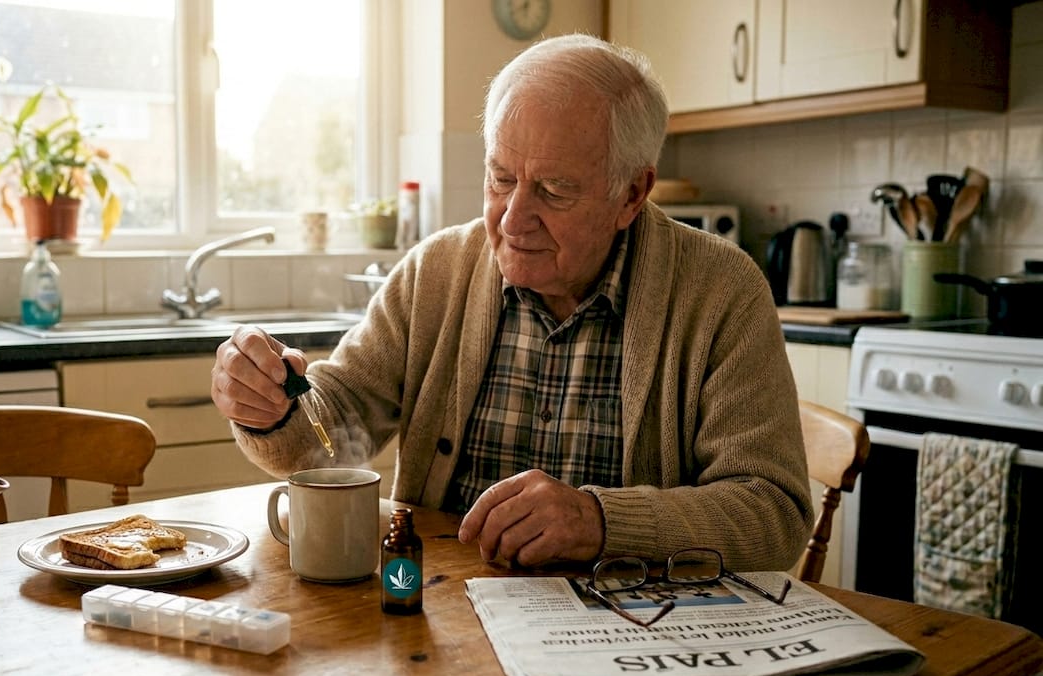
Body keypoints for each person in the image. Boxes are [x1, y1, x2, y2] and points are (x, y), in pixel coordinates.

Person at [211, 33, 812, 572]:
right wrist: (272, 409)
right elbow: (333, 431)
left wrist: (599, 522)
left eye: (554, 189)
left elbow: (773, 514)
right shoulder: (435, 272)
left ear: (631, 194)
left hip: (634, 633)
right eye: (500, 178)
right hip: (441, 608)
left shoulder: (721, 290)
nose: (513, 217)